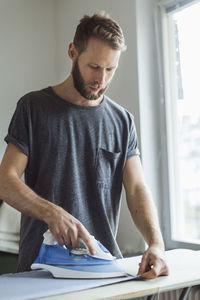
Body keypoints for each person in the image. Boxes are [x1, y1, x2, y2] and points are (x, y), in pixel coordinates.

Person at [0, 12, 169, 279]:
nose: (100, 79)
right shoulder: (33, 108)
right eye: (94, 66)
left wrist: (156, 244)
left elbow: (137, 188)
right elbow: (6, 181)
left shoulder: (122, 121)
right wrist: (51, 213)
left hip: (103, 273)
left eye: (110, 69)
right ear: (72, 52)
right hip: (38, 273)